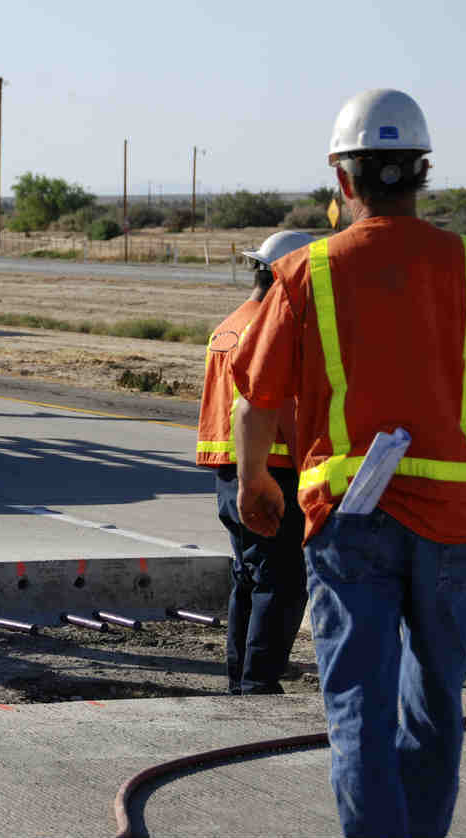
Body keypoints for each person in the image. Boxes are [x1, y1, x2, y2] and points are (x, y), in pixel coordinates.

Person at [231, 89, 466, 837]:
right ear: (422, 172)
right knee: (437, 697)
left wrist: (254, 479)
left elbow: (257, 396)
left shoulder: (307, 273)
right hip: (459, 523)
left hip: (350, 519)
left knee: (360, 702)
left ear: (343, 178)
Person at [197, 230, 315, 694]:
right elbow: (279, 407)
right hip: (273, 472)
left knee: (248, 578)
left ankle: (241, 681)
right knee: (282, 582)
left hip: (230, 473)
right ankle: (259, 684)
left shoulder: (227, 326)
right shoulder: (271, 331)